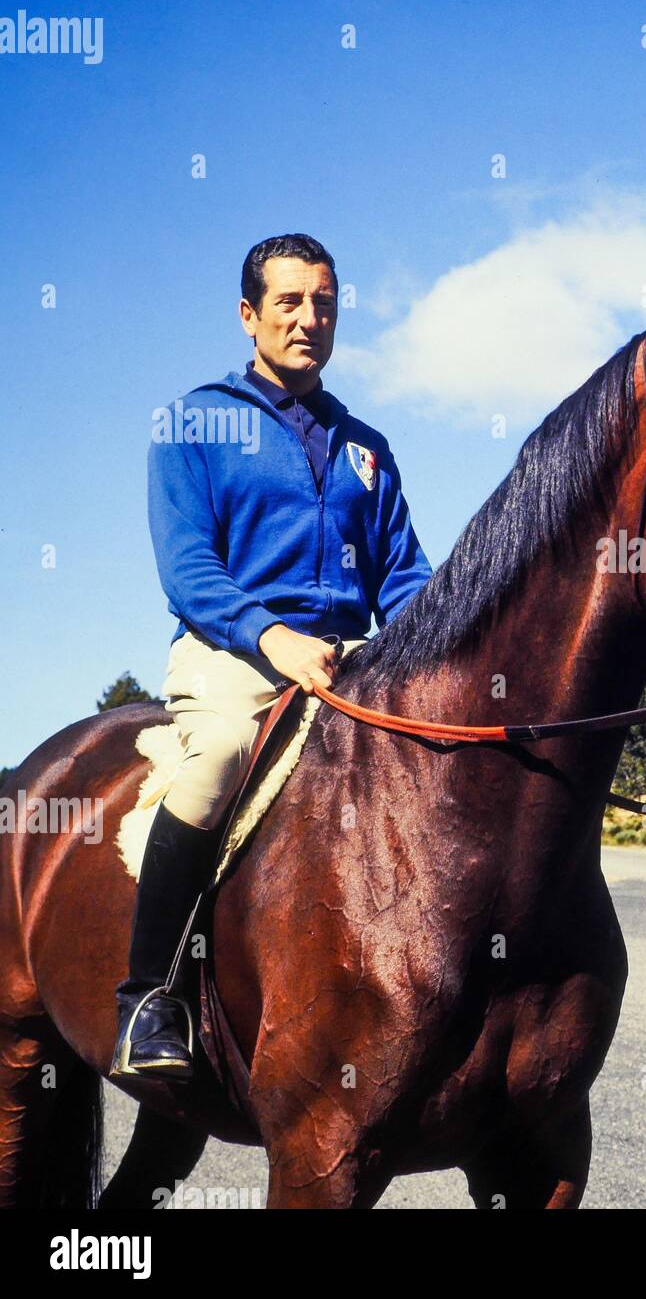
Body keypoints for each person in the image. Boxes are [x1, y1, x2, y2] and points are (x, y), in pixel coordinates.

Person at [112, 233, 432, 1080]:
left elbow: (404, 576)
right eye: (289, 303)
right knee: (216, 755)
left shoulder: (367, 446)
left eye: (323, 303)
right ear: (249, 315)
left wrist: (441, 649)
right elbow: (188, 572)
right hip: (233, 649)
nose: (309, 319)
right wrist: (271, 636)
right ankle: (151, 998)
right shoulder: (193, 422)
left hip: (352, 653)